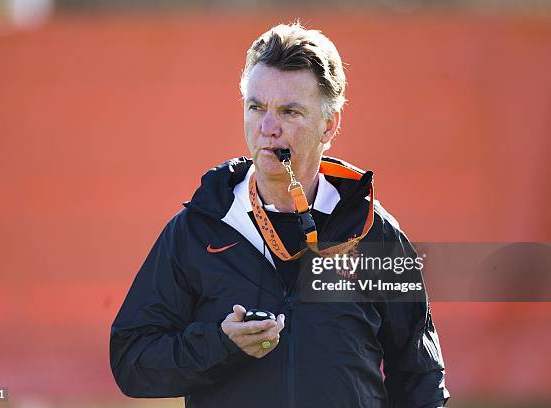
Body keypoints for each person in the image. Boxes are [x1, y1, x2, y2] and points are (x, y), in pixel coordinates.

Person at [110, 22, 449, 408]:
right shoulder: (199, 228)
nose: (267, 128)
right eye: (256, 107)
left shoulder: (374, 233)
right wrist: (219, 345)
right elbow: (130, 361)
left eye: (289, 112)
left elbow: (421, 375)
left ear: (329, 125)